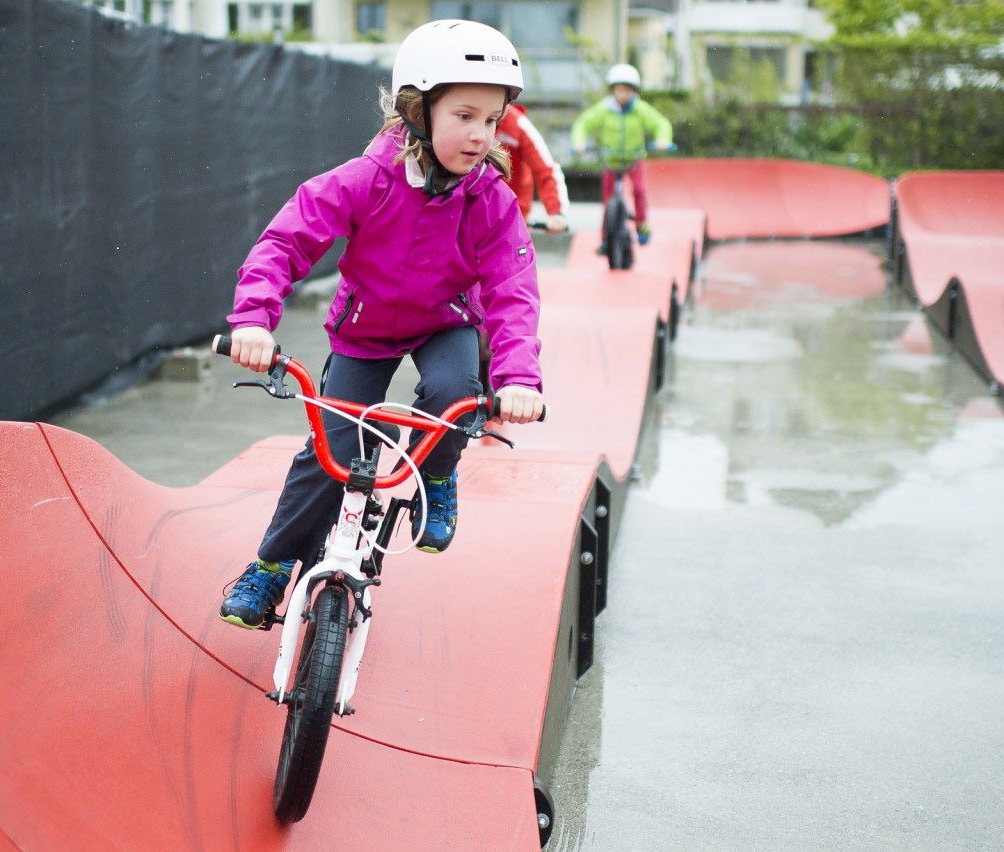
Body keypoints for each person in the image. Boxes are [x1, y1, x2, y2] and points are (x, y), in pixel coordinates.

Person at [218, 20, 545, 630]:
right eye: (465, 116)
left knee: (458, 395)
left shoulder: (491, 199)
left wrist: (519, 379)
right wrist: (254, 320)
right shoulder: (367, 179)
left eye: (492, 120)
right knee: (330, 448)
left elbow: (513, 293)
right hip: (365, 329)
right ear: (418, 110)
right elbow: (285, 242)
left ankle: (439, 475)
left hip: (443, 321)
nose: (480, 135)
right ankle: (270, 567)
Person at [570, 63, 673, 248]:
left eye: (627, 90)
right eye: (619, 90)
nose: (623, 95)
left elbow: (660, 124)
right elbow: (583, 124)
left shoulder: (640, 110)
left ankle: (641, 225)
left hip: (634, 160)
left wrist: (662, 139)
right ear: (613, 90)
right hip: (611, 161)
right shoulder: (604, 109)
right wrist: (580, 142)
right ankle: (605, 239)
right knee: (608, 199)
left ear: (634, 91)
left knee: (639, 190)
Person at [496, 102, 570, 232]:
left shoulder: (518, 124)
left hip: (511, 213)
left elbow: (546, 169)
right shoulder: (463, 117)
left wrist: (556, 212)